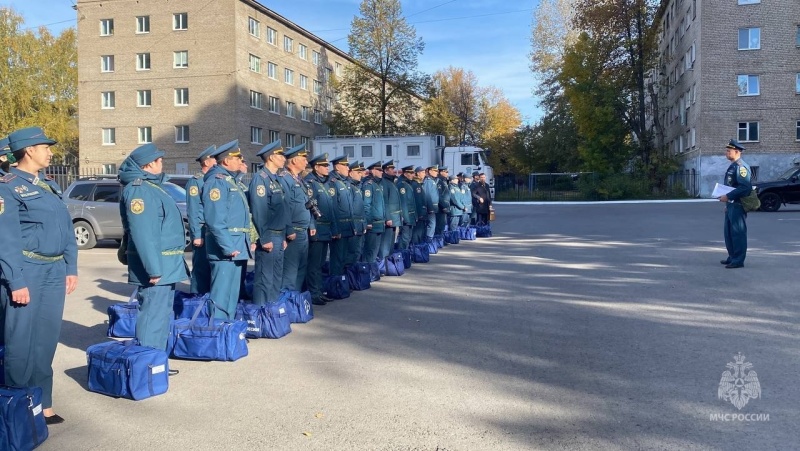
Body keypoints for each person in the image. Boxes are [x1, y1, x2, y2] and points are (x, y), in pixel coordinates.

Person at [0, 126, 78, 425]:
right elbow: (5, 239)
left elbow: (66, 229)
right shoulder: (7, 186)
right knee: (20, 341)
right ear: (29, 150)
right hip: (27, 270)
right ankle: (18, 404)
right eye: (46, 147)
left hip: (54, 270)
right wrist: (15, 281)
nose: (50, 151)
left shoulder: (48, 184)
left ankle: (42, 401)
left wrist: (70, 267)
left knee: (46, 339)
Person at [119, 143, 188, 360]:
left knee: (160, 315)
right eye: (159, 160)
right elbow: (143, 234)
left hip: (166, 264)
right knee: (151, 315)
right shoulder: (139, 190)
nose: (162, 163)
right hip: (156, 266)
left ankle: (156, 360)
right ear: (148, 164)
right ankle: (146, 362)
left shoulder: (152, 187)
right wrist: (153, 268)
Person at [202, 140, 252, 319]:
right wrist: (228, 247)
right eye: (237, 158)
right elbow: (215, 220)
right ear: (225, 161)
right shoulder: (217, 182)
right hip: (226, 247)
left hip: (236, 244)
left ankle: (227, 329)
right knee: (222, 295)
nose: (241, 161)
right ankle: (218, 331)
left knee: (232, 293)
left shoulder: (230, 181)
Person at [249, 140, 289, 304]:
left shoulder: (275, 179)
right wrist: (264, 238)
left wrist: (284, 235)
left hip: (279, 235)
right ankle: (261, 312)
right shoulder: (261, 179)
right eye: (281, 155)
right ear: (271, 157)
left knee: (276, 277)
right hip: (269, 235)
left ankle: (272, 311)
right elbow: (259, 211)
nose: (284, 159)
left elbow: (282, 211)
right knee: (265, 278)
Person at [304, 153, 338, 305]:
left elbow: (331, 209)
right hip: (317, 229)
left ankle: (319, 290)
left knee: (320, 263)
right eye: (324, 166)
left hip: (326, 229)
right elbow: (309, 207)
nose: (327, 168)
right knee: (314, 264)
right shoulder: (310, 183)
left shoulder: (324, 183)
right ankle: (314, 293)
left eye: (327, 165)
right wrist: (312, 226)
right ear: (316, 167)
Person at [278, 144, 313, 292]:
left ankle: (296, 302)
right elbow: (284, 206)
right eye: (303, 159)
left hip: (303, 230)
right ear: (293, 161)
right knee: (290, 271)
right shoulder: (285, 179)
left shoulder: (299, 179)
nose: (306, 162)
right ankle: (287, 302)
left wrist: (311, 224)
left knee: (301, 268)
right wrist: (288, 229)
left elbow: (306, 204)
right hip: (293, 231)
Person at [186, 145, 216, 294]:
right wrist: (196, 234)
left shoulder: (213, 180)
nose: (216, 161)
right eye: (213, 159)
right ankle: (196, 298)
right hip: (202, 229)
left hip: (211, 228)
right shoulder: (196, 182)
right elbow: (192, 209)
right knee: (200, 268)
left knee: (211, 267)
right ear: (206, 162)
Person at [719, 139, 752, 269]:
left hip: (738, 204)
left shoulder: (741, 167)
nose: (726, 153)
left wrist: (728, 196)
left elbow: (745, 187)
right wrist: (727, 203)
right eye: (727, 151)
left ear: (737, 152)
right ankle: (732, 257)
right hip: (731, 204)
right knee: (729, 233)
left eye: (729, 151)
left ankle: (738, 260)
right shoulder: (733, 166)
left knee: (738, 233)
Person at [329, 155, 355, 277]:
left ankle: (342, 282)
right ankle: (336, 284)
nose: (347, 168)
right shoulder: (332, 182)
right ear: (337, 167)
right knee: (337, 258)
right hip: (339, 225)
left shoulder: (345, 182)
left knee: (344, 257)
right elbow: (333, 207)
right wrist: (335, 229)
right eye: (345, 165)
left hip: (347, 225)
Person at [362, 161, 386, 264]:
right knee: (370, 251)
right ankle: (367, 272)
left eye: (381, 170)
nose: (381, 172)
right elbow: (366, 205)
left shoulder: (378, 184)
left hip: (379, 222)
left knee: (375, 250)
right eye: (379, 170)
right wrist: (368, 222)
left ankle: (372, 271)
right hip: (373, 223)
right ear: (372, 171)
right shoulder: (369, 185)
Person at [346, 161, 367, 266]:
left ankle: (354, 277)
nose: (361, 174)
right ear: (351, 173)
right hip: (353, 226)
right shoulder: (349, 187)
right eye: (358, 172)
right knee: (351, 253)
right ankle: (348, 277)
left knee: (357, 253)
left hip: (360, 225)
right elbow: (349, 209)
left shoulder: (357, 187)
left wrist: (364, 224)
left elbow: (361, 209)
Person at [380, 160, 402, 260]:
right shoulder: (385, 182)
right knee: (386, 243)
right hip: (389, 218)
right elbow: (385, 201)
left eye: (393, 168)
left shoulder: (391, 182)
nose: (394, 171)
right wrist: (388, 217)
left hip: (395, 218)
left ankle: (389, 263)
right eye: (391, 169)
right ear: (385, 170)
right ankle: (383, 264)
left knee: (391, 243)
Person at [396, 165, 417, 250]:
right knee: (405, 238)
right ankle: (402, 254)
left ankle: (406, 255)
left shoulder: (408, 184)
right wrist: (405, 217)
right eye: (411, 173)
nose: (413, 175)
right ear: (405, 174)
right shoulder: (402, 185)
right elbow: (403, 203)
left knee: (408, 237)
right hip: (406, 216)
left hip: (411, 215)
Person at [410, 166, 428, 245]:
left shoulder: (419, 184)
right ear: (418, 173)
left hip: (422, 212)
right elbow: (417, 200)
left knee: (421, 231)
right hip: (419, 212)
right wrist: (420, 213)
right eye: (423, 172)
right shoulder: (415, 184)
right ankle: (416, 249)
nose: (424, 174)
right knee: (417, 232)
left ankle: (418, 248)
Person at [423, 165, 439, 242]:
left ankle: (430, 240)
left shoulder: (432, 181)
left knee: (432, 224)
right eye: (435, 171)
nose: (437, 173)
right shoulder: (428, 181)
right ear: (430, 171)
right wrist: (430, 208)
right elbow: (427, 195)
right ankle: (428, 241)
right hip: (430, 207)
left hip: (434, 207)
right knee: (431, 225)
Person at [435, 166, 451, 237]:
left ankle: (441, 239)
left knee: (443, 224)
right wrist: (443, 206)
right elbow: (439, 195)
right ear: (441, 172)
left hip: (445, 206)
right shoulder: (439, 181)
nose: (447, 173)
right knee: (439, 224)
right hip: (440, 207)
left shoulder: (444, 181)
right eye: (446, 172)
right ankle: (438, 239)